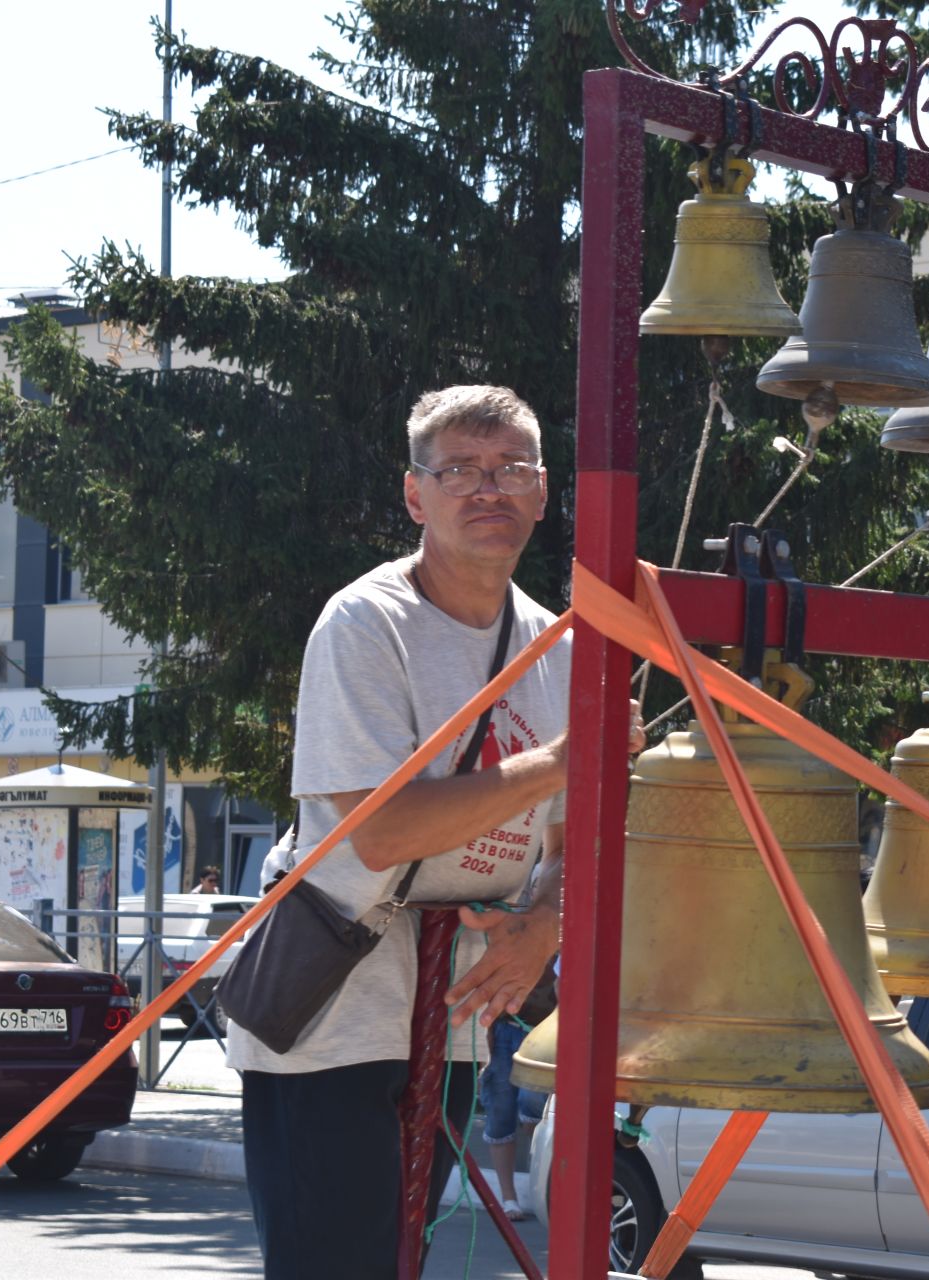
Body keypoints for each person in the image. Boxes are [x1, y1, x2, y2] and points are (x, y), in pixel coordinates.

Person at [226, 385, 639, 1280]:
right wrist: (572, 757)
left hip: (451, 1005)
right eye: (459, 471)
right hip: (333, 1004)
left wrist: (546, 923)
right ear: (416, 496)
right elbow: (382, 832)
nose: (487, 489)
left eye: (511, 469)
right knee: (336, 1266)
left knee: (400, 1257)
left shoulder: (559, 646)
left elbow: (581, 841)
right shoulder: (367, 622)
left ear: (541, 491)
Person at [478, 955, 557, 1219]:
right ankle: (509, 1198)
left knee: (533, 1105)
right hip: (503, 1030)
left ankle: (541, 1190)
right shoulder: (511, 924)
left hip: (543, 1035)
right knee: (499, 1111)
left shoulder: (558, 934)